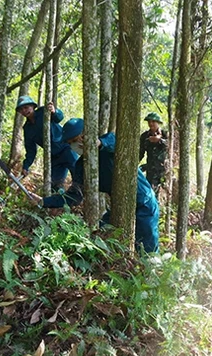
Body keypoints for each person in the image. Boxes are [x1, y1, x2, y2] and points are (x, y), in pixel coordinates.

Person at [30, 118, 160, 254]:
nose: (74, 145)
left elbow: (118, 144)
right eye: (70, 143)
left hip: (143, 202)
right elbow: (75, 196)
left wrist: (99, 144)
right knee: (102, 237)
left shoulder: (108, 142)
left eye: (75, 140)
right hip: (119, 206)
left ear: (85, 135)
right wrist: (44, 201)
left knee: (147, 251)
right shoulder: (81, 166)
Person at [15, 96, 76, 192]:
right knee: (55, 186)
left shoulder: (44, 111)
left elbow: (59, 117)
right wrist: (26, 166)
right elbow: (31, 150)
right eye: (21, 109)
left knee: (79, 177)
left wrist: (54, 111)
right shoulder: (27, 129)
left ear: (32, 106)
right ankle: (61, 205)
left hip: (66, 149)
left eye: (26, 107)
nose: (24, 111)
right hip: (53, 157)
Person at [139, 112, 168, 191]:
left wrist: (159, 140)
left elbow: (171, 146)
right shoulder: (144, 136)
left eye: (153, 121)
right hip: (151, 170)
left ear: (158, 123)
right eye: (149, 121)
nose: (151, 123)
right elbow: (140, 152)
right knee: (151, 192)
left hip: (164, 170)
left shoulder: (165, 134)